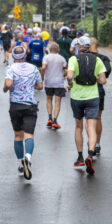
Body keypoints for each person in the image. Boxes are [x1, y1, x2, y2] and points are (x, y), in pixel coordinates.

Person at [67, 36, 107, 174]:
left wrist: (70, 84)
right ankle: (90, 154)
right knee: (92, 127)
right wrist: (94, 79)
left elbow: (69, 76)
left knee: (78, 126)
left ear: (79, 46)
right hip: (93, 97)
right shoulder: (97, 60)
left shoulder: (73, 59)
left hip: (77, 97)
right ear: (89, 46)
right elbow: (103, 80)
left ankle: (79, 157)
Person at [3, 46, 43, 180]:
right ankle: (28, 157)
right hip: (30, 105)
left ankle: (21, 164)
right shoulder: (33, 68)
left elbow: (8, 84)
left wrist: (5, 88)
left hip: (15, 105)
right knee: (29, 134)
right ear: (25, 56)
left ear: (13, 57)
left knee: (18, 136)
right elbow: (40, 86)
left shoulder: (11, 68)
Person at [89, 37, 112, 155]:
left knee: (88, 118)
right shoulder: (103, 58)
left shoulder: (84, 58)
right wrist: (99, 78)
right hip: (98, 89)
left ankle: (90, 143)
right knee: (97, 117)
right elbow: (108, 71)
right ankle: (97, 143)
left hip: (85, 90)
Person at [41, 42, 67, 129]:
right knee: (57, 101)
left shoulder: (46, 57)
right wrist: (63, 76)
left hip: (49, 82)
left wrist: (42, 76)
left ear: (50, 50)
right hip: (59, 83)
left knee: (49, 99)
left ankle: (49, 118)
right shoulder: (62, 58)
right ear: (58, 50)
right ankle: (55, 120)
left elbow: (43, 68)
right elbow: (65, 70)